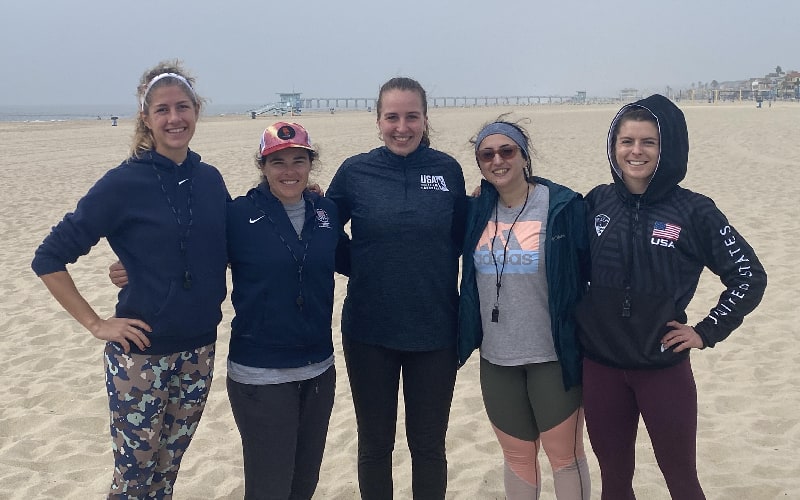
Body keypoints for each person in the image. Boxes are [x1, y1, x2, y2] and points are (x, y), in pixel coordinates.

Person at [31, 61, 228, 498]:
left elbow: (226, 246)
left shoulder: (210, 179)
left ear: (196, 111)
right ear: (146, 117)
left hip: (198, 351)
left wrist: (299, 197)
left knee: (168, 469)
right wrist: (97, 324)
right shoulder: (123, 183)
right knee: (134, 478)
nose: (174, 118)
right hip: (141, 357)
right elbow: (48, 258)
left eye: (182, 107)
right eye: (162, 110)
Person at [575, 94, 767, 499]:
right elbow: (553, 240)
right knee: (614, 481)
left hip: (662, 369)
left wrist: (707, 330)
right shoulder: (596, 202)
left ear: (669, 147)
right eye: (626, 141)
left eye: (649, 142)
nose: (636, 151)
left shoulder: (694, 212)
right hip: (601, 368)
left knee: (681, 481)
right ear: (613, 147)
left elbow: (749, 276)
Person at [326, 77, 467, 499]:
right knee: (374, 445)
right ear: (378, 120)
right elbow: (324, 230)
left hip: (435, 331)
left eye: (411, 116)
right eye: (392, 117)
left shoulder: (447, 170)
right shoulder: (355, 171)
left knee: (428, 446)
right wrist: (365, 267)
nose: (401, 127)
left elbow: (459, 236)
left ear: (425, 120)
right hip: (370, 331)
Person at [457, 117, 591, 499]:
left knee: (564, 457)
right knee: (516, 456)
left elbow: (591, 272)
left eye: (506, 150)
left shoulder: (561, 207)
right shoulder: (476, 211)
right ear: (480, 164)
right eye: (487, 155)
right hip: (497, 358)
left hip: (551, 355)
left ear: (523, 155)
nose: (498, 160)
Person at [225, 122, 346, 499]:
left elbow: (357, 260)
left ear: (311, 165)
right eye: (278, 162)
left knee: (303, 483)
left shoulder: (325, 210)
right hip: (261, 373)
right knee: (269, 486)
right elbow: (192, 260)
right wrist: (137, 269)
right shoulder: (238, 216)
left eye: (299, 160)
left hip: (319, 370)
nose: (289, 171)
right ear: (262, 166)